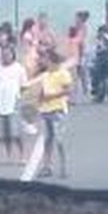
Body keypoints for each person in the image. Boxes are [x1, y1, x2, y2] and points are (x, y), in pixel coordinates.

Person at [28, 50, 74, 178]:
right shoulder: (45, 75)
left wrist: (52, 96)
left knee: (59, 140)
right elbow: (42, 93)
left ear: (52, 60)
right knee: (47, 140)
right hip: (45, 110)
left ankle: (63, 167)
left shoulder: (63, 73)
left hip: (58, 110)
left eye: (45, 59)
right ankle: (46, 166)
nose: (43, 62)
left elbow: (68, 91)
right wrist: (39, 104)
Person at [0, 45, 27, 164]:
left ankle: (22, 156)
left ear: (13, 54)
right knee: (6, 134)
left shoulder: (19, 68)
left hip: (14, 103)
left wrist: (18, 99)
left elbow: (23, 86)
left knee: (16, 132)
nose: (5, 56)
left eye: (7, 54)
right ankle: (9, 156)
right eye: (3, 54)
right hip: (2, 104)